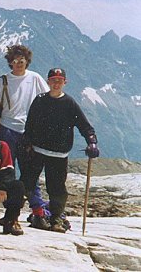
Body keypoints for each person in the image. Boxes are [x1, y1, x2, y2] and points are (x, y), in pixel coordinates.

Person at [20, 68, 99, 233]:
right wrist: (26, 142)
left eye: (59, 80)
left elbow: (85, 126)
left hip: (59, 154)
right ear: (48, 81)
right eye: (53, 80)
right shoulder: (40, 100)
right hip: (37, 150)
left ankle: (56, 218)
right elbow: (30, 124)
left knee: (56, 188)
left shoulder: (69, 103)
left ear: (65, 82)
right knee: (26, 183)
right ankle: (20, 214)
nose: (56, 83)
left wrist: (92, 141)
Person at [0, 45, 49, 224]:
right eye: (15, 61)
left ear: (26, 61)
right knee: (8, 172)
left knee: (29, 173)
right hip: (7, 128)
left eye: (21, 61)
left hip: (28, 131)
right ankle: (12, 213)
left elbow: (46, 100)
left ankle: (38, 211)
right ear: (10, 62)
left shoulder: (35, 78)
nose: (18, 64)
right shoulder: (3, 81)